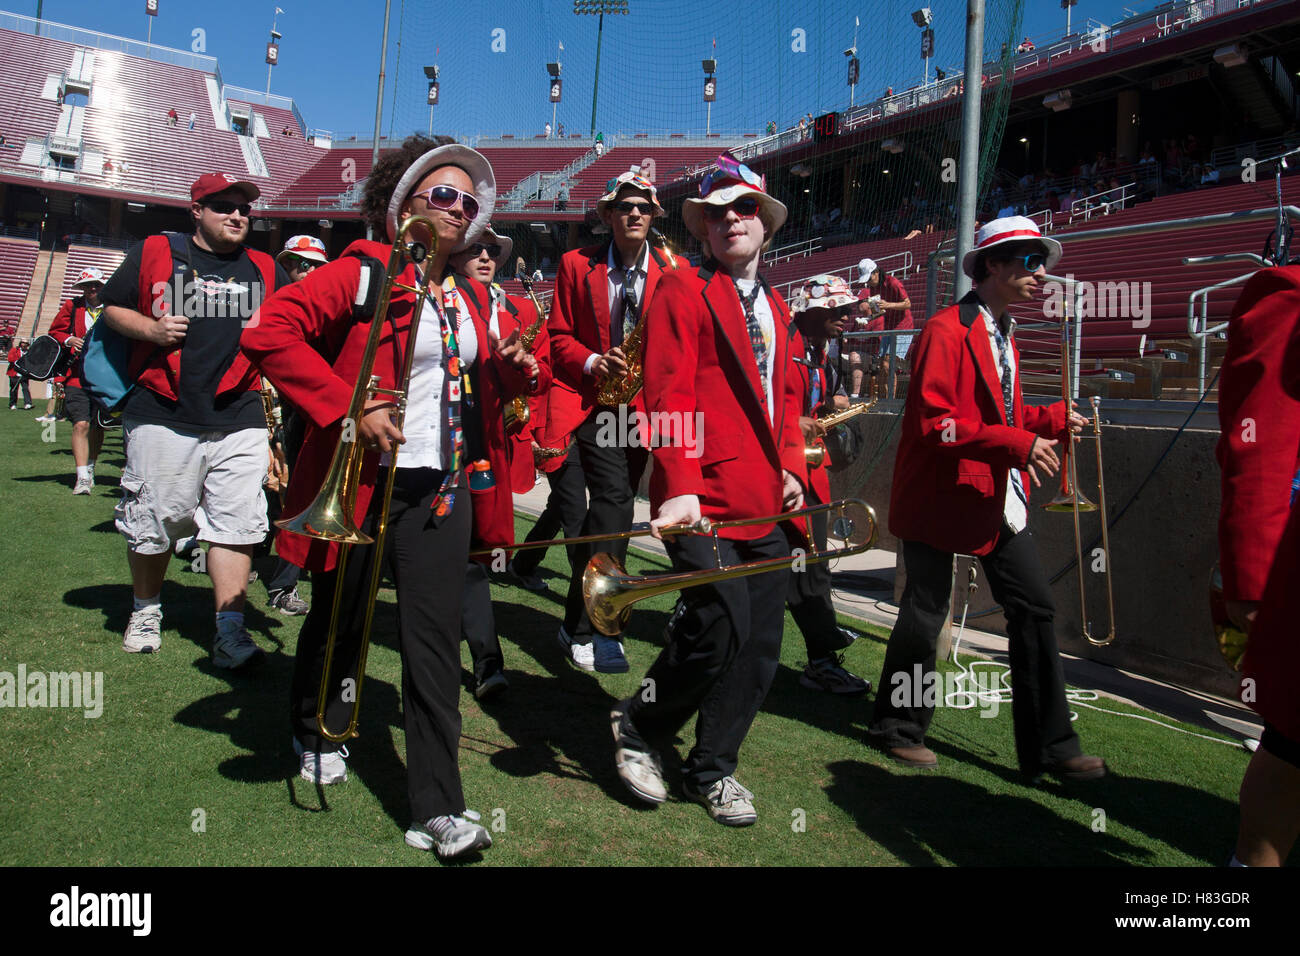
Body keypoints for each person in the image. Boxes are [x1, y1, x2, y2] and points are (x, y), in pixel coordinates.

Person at [241, 135, 499, 860]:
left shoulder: (473, 295)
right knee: (340, 618)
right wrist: (344, 407)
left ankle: (438, 807)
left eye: (469, 201)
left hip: (438, 488)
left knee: (432, 641)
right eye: (443, 194)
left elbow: (475, 387)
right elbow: (268, 331)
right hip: (360, 478)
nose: (458, 207)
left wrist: (515, 368)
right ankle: (316, 726)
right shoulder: (365, 271)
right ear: (406, 204)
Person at [869, 216, 1104, 782]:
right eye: (1028, 261)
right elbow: (934, 425)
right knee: (925, 616)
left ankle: (1051, 747)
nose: (1040, 273)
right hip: (938, 497)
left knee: (1034, 610)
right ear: (993, 266)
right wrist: (1017, 442)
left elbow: (992, 413)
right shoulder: (945, 331)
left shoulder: (1003, 330)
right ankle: (897, 727)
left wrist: (1044, 420)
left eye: (1040, 261)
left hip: (995, 497)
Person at [608, 155, 806, 826]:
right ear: (700, 229)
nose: (730, 221)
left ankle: (712, 768)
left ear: (766, 223)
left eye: (742, 209)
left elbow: (784, 399)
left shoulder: (779, 306)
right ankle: (639, 722)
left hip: (762, 501)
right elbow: (667, 392)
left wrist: (792, 468)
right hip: (699, 500)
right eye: (715, 213)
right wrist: (678, 487)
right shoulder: (680, 289)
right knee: (717, 627)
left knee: (760, 651)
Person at [100, 172, 290, 662]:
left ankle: (230, 629)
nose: (238, 215)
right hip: (163, 408)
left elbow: (294, 327)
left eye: (245, 209)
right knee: (153, 520)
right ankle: (145, 609)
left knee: (238, 524)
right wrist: (151, 328)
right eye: (224, 206)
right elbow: (111, 308)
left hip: (240, 412)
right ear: (196, 210)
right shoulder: (156, 251)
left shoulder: (266, 268)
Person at [546, 170, 689, 673]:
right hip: (594, 402)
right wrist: (592, 361)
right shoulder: (573, 264)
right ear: (608, 215)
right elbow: (558, 336)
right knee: (615, 501)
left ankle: (573, 622)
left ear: (653, 218)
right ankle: (598, 625)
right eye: (625, 206)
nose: (635, 214)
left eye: (645, 208)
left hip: (644, 409)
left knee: (610, 516)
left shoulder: (676, 271)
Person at [1216, 264, 1300, 867]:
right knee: (1294, 743)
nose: (1035, 274)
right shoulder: (1292, 290)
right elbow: (1259, 439)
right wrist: (1251, 576)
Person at [447, 225, 546, 700]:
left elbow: (533, 381)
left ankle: (487, 661)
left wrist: (525, 367)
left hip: (479, 447)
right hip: (432, 447)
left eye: (492, 251)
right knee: (435, 560)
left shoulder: (507, 310)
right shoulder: (438, 296)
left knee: (473, 558)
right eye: (475, 249)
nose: (486, 257)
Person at [787, 275, 870, 694]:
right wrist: (790, 423)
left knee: (812, 567)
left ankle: (821, 658)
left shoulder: (825, 355)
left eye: (849, 309)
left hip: (811, 476)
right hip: (774, 475)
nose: (847, 316)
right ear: (813, 311)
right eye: (838, 310)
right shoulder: (778, 348)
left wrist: (833, 404)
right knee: (773, 571)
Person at [47, 268, 108, 494]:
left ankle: (91, 468)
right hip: (76, 375)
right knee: (81, 423)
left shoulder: (115, 308)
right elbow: (55, 332)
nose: (92, 288)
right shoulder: (71, 306)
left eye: (96, 284)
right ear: (81, 288)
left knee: (98, 425)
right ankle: (82, 476)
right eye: (87, 285)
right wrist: (69, 338)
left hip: (105, 377)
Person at [855, 257, 913, 400]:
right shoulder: (874, 287)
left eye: (869, 279)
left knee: (887, 363)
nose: (868, 283)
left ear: (876, 272)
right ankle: (884, 399)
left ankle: (890, 401)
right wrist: (867, 319)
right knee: (882, 365)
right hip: (889, 327)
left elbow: (907, 304)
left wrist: (888, 305)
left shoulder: (893, 283)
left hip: (902, 328)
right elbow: (878, 311)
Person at [7, 338, 32, 409]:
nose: (24, 345)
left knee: (25, 388)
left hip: (24, 373)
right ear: (20, 343)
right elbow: (10, 359)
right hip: (14, 373)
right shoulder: (14, 350)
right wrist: (19, 361)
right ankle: (12, 404)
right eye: (23, 343)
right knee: (14, 389)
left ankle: (28, 403)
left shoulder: (28, 352)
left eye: (26, 343)